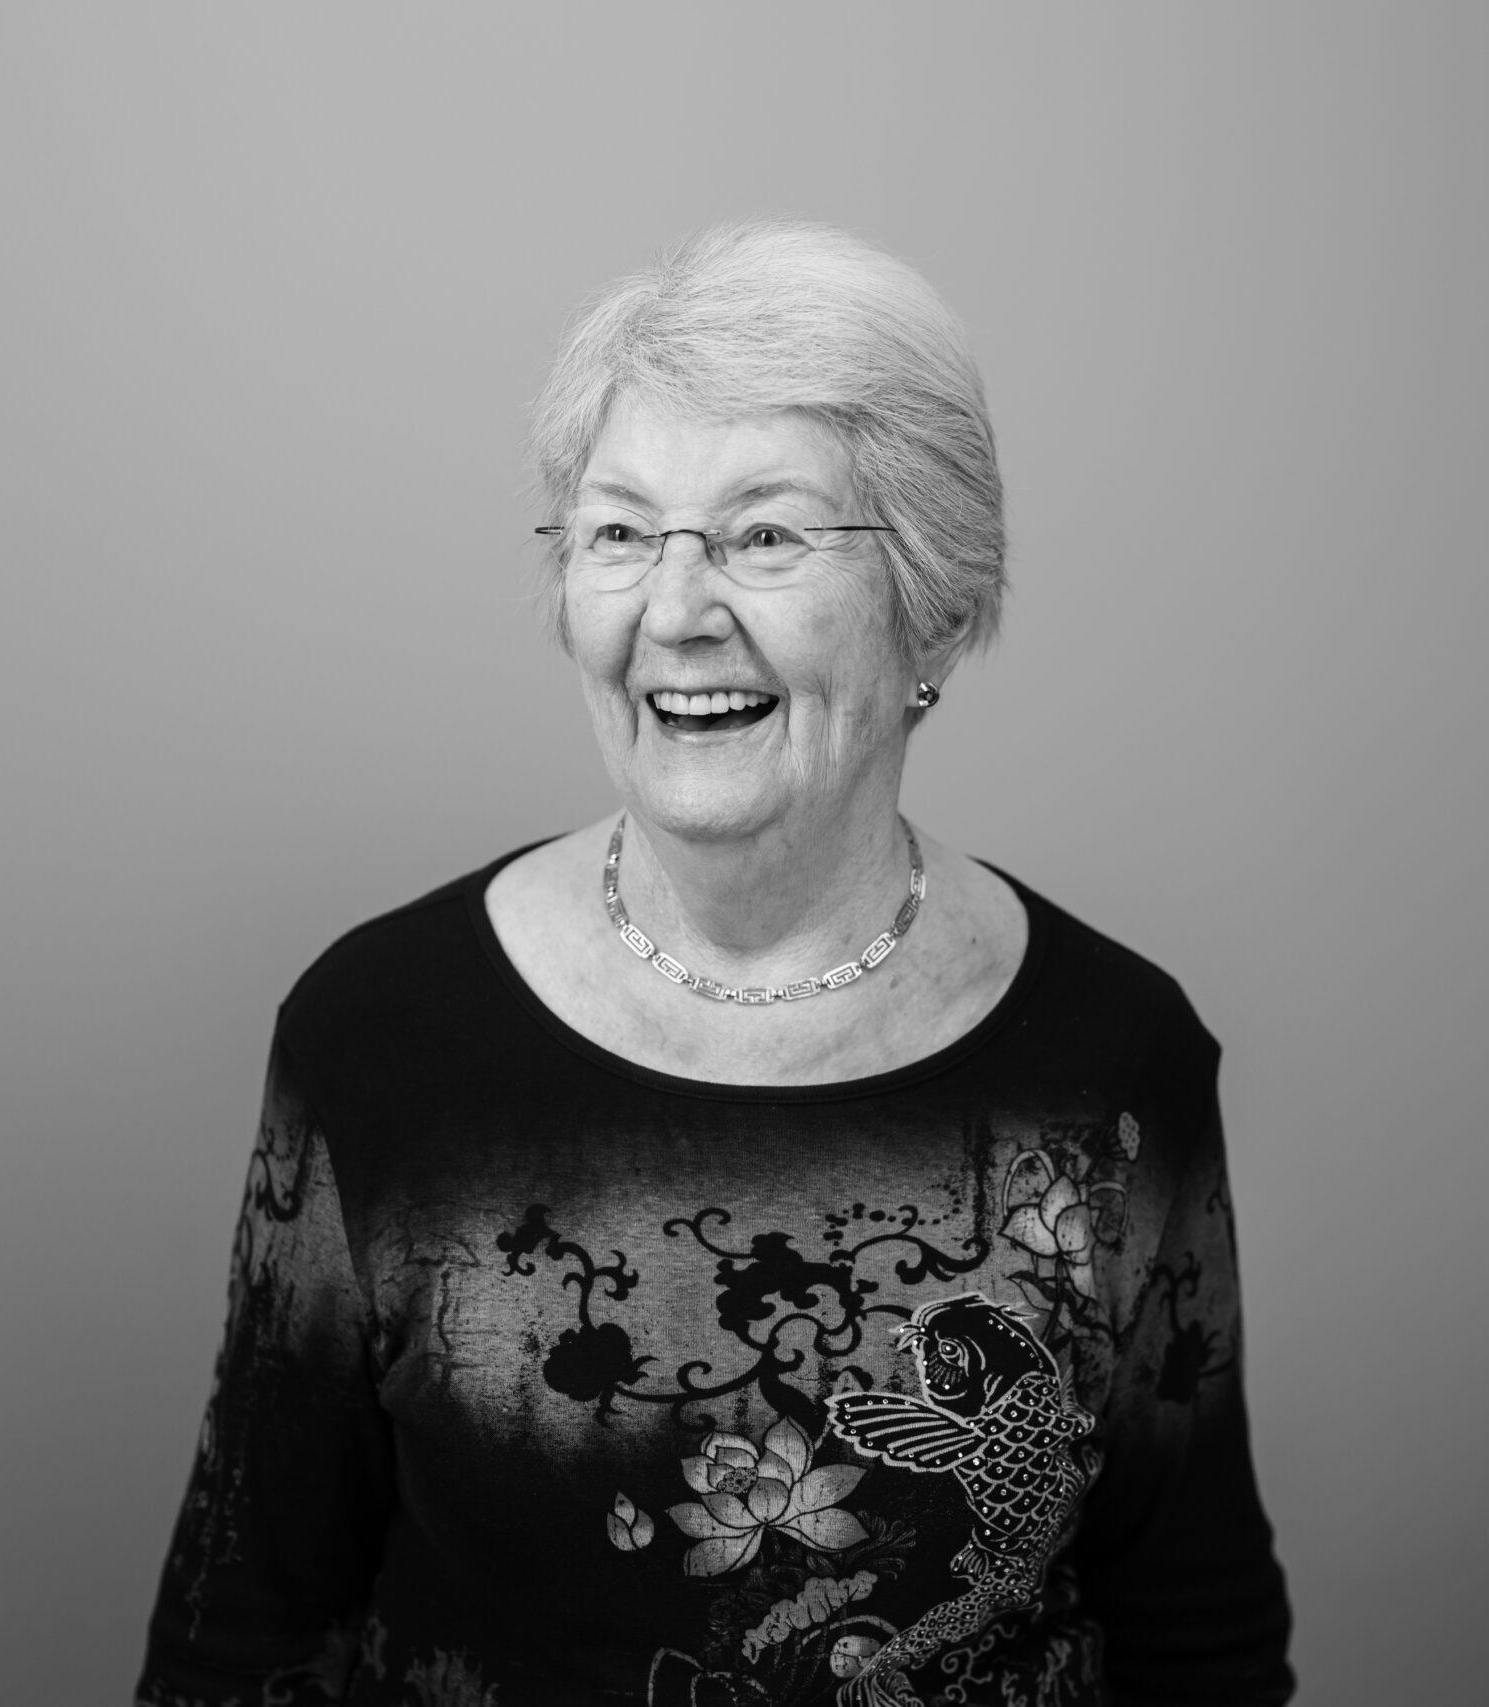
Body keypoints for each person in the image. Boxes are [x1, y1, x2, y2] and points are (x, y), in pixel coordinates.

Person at [136, 218, 1295, 1707]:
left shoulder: (1114, 1063)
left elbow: (1196, 1639)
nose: (678, 613)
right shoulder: (377, 1039)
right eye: (621, 533)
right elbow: (244, 1637)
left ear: (932, 601)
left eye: (764, 534)